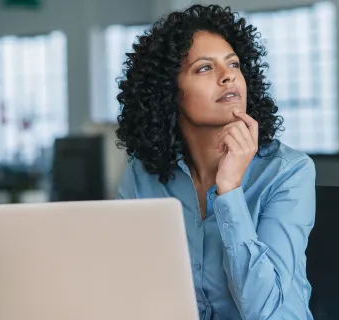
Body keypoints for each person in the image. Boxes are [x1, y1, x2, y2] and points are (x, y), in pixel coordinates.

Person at [115, 4, 315, 320]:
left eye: (233, 64)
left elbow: (266, 312)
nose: (228, 77)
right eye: (205, 68)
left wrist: (230, 190)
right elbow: (127, 289)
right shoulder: (142, 175)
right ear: (170, 93)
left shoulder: (287, 171)